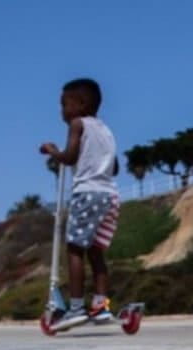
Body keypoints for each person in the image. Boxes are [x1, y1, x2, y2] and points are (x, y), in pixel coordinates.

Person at [40, 78, 120, 330]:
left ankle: (75, 308)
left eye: (65, 104)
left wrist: (53, 151)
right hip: (110, 195)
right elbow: (114, 167)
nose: (62, 110)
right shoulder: (106, 131)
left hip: (87, 193)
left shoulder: (78, 124)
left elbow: (70, 156)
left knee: (75, 249)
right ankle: (100, 306)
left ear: (81, 104)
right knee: (96, 252)